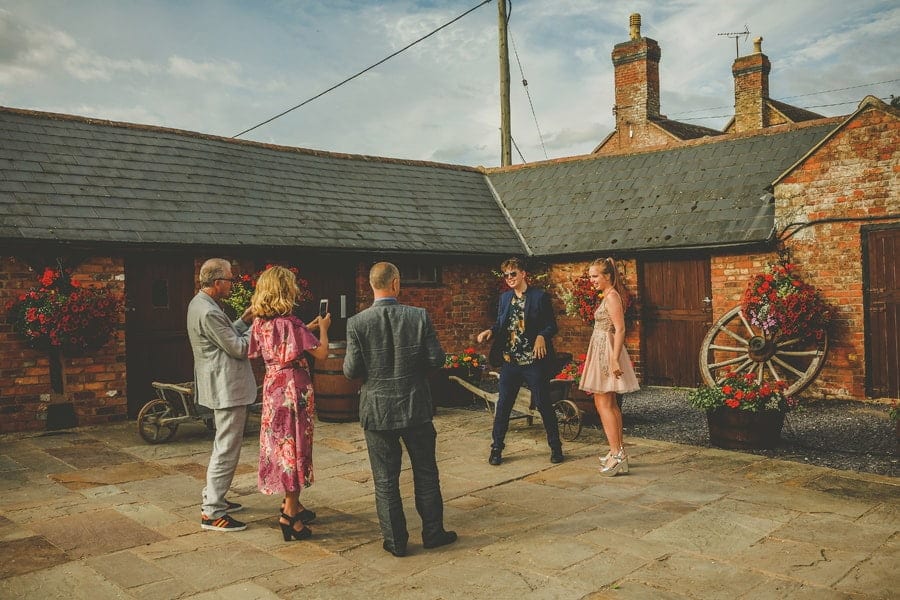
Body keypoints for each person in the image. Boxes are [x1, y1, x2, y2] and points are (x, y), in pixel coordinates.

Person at [343, 262, 456, 558]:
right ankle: (433, 533)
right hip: (415, 406)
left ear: (371, 285)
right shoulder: (418, 317)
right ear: (395, 283)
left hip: (377, 411)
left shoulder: (357, 323)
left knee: (385, 480)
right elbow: (436, 359)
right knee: (426, 473)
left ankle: (395, 541)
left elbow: (351, 370)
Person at [248, 266, 331, 542]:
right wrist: (323, 329)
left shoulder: (260, 323)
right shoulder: (291, 323)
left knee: (280, 448)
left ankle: (289, 504)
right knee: (296, 449)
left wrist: (304, 329)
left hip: (273, 388)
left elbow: (255, 352)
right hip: (294, 390)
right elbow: (321, 353)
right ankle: (290, 515)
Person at [187, 258, 258, 532]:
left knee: (223, 445)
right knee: (227, 449)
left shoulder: (201, 304)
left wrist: (244, 320)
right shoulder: (208, 312)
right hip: (226, 388)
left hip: (221, 385)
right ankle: (212, 512)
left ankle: (214, 497)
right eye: (230, 279)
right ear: (217, 283)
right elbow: (239, 348)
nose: (232, 283)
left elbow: (226, 336)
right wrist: (258, 327)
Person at [476, 258, 563, 466]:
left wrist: (542, 335)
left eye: (513, 274)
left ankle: (556, 447)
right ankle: (496, 449)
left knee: (543, 403)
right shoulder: (505, 298)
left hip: (533, 362)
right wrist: (490, 331)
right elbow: (501, 324)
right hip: (510, 362)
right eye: (506, 275)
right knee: (504, 405)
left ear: (523, 274)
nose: (509, 279)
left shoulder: (539, 297)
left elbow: (552, 325)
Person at [579, 257, 640, 476]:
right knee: (609, 403)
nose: (592, 280)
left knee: (603, 402)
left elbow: (620, 329)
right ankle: (617, 451)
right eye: (591, 276)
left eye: (595, 276)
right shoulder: (608, 295)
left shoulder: (612, 296)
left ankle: (617, 455)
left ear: (607, 276)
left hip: (607, 351)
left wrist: (614, 359)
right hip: (601, 347)